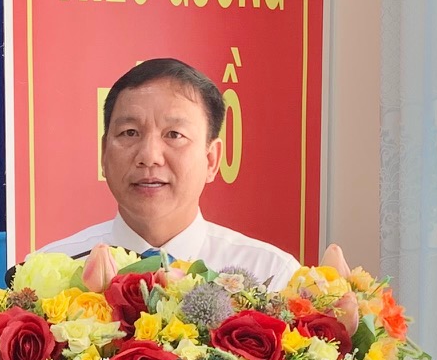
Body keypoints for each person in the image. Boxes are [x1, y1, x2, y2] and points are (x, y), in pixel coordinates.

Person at [32, 57, 301, 290]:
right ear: (104, 153)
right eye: (129, 133)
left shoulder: (272, 277)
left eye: (174, 134)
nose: (149, 156)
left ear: (211, 159)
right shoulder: (47, 275)